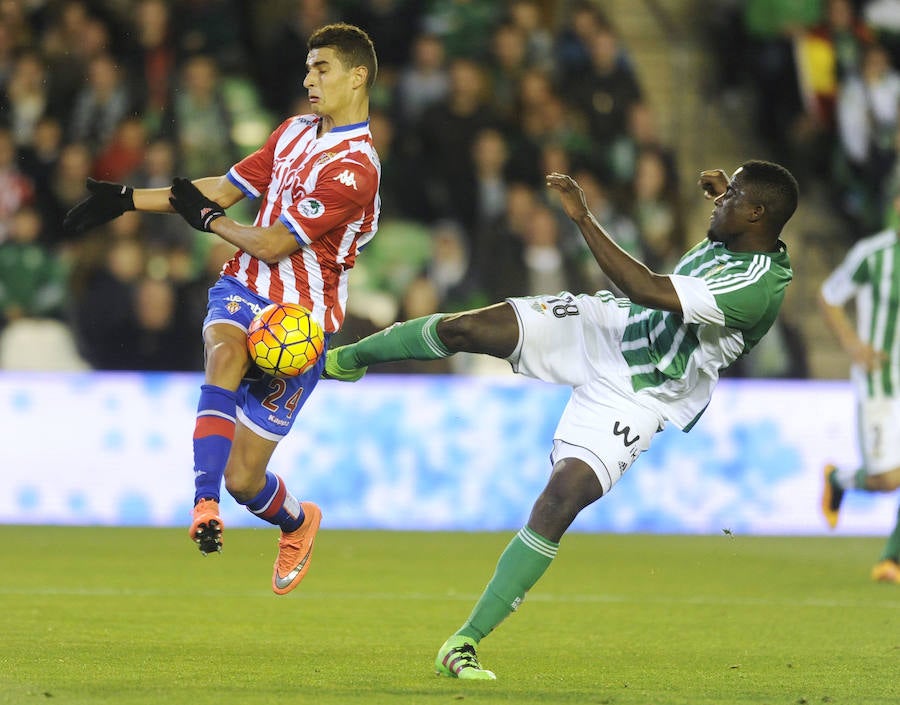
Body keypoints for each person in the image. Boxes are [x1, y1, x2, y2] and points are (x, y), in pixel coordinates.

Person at [323, 160, 799, 678]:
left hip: (642, 395)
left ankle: (464, 642)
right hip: (609, 327)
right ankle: (338, 362)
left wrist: (582, 218)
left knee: (561, 498)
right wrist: (720, 197)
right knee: (468, 329)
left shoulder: (755, 289)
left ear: (756, 214)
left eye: (731, 200)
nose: (720, 203)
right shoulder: (739, 233)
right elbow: (653, 288)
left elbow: (646, 287)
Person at [62, 23, 380, 595]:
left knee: (245, 478)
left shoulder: (355, 169)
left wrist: (208, 223)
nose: (309, 78)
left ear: (357, 77)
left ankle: (295, 520)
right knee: (225, 351)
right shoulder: (292, 133)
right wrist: (128, 200)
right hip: (244, 289)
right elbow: (224, 189)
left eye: (322, 68)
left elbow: (276, 242)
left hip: (300, 326)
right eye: (307, 67)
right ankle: (203, 503)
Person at [819, 211, 900, 583]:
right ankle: (840, 480)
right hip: (879, 384)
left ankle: (892, 561)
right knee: (887, 480)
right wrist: (853, 346)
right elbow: (829, 295)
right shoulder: (874, 254)